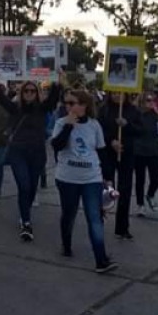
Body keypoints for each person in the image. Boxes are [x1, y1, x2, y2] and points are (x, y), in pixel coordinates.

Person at [51, 90, 118, 274]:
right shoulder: (61, 123)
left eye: (72, 103)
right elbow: (57, 146)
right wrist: (69, 126)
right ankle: (66, 244)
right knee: (69, 214)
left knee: (95, 217)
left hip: (91, 178)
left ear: (84, 105)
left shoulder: (94, 125)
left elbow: (102, 151)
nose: (68, 107)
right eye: (66, 103)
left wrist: (108, 177)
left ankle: (101, 260)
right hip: (68, 178)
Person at [0, 72, 63, 242]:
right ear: (22, 93)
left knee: (32, 187)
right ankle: (26, 222)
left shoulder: (42, 108)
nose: (29, 93)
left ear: (37, 93)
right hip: (18, 152)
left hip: (37, 154)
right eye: (26, 91)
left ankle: (25, 211)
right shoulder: (15, 108)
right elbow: (2, 99)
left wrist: (58, 81)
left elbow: (54, 97)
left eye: (32, 91)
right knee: (24, 186)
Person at [98, 92, 143, 240]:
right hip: (108, 154)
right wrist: (111, 141)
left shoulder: (133, 110)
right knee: (107, 188)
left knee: (125, 189)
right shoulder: (104, 109)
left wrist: (127, 125)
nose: (117, 96)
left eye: (120, 93)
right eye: (114, 93)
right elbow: (98, 130)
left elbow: (140, 131)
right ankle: (98, 220)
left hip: (127, 153)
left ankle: (122, 227)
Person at [134, 93, 158, 216]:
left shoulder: (155, 114)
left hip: (154, 150)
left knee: (156, 179)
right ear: (141, 102)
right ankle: (140, 204)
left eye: (152, 100)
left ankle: (150, 195)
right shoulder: (136, 114)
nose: (151, 102)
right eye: (148, 100)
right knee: (140, 179)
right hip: (139, 150)